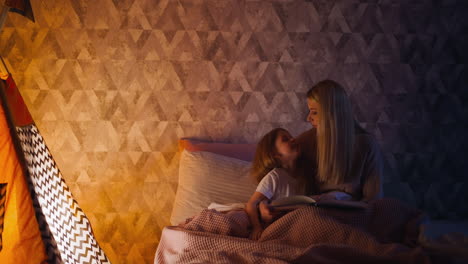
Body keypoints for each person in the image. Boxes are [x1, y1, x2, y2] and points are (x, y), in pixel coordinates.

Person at [296, 79, 384, 202]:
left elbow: (373, 201)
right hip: (316, 213)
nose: (308, 118)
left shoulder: (366, 145)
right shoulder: (306, 141)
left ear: (332, 114)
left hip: (353, 215)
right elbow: (275, 167)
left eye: (314, 112)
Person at [245, 128, 311, 240]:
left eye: (291, 136)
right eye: (286, 139)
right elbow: (251, 204)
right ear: (275, 154)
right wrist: (256, 227)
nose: (293, 139)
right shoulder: (275, 176)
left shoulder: (304, 176)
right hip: (280, 225)